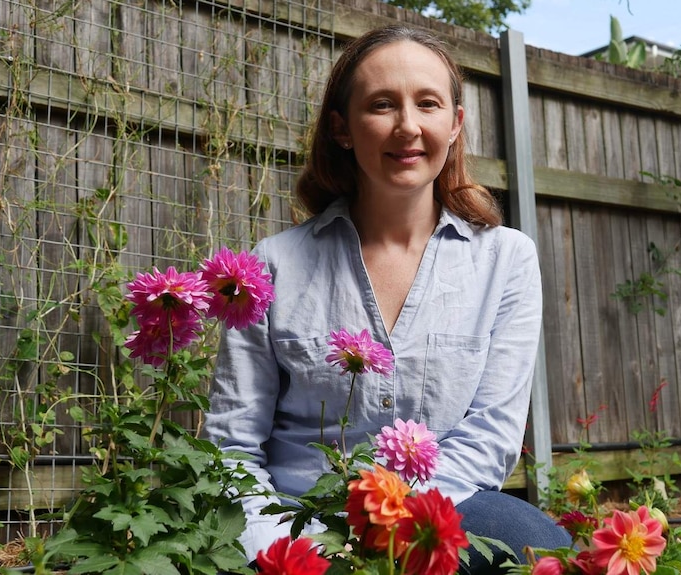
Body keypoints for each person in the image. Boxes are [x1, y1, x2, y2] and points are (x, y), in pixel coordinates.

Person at [204, 24, 572, 574]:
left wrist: (383, 534)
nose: (408, 126)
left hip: (441, 513)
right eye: (381, 104)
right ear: (343, 128)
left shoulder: (506, 260)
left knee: (542, 548)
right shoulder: (274, 264)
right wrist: (279, 553)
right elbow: (234, 444)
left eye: (428, 103)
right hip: (298, 521)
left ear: (454, 124)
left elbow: (490, 439)